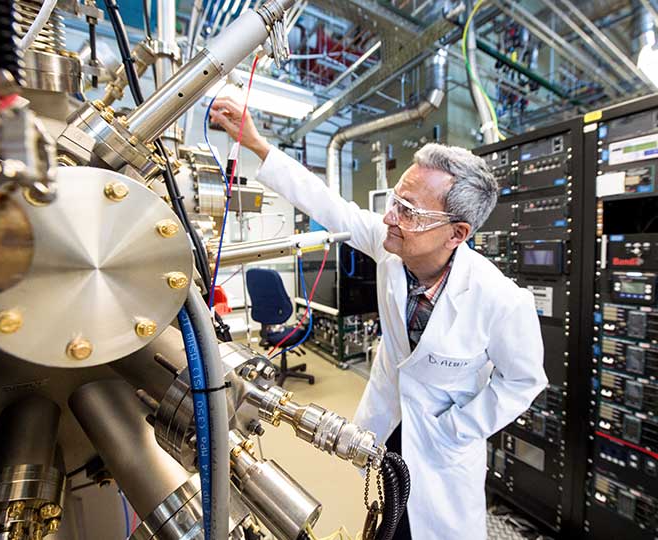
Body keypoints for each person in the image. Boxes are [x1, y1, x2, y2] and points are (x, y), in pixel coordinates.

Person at [210, 97, 548, 540]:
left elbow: (523, 381)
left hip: (444, 440)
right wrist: (256, 144)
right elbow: (327, 203)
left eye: (408, 210)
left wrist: (458, 428)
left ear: (457, 233)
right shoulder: (391, 251)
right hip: (387, 423)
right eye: (395, 201)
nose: (390, 217)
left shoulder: (500, 300)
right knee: (388, 520)